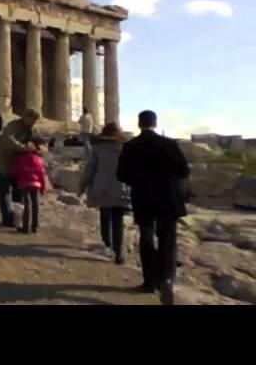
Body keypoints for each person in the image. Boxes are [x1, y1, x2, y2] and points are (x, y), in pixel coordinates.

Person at [117, 110, 190, 305]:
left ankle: (149, 281)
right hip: (168, 198)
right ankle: (167, 279)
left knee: (146, 237)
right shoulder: (169, 144)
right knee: (168, 240)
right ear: (155, 123)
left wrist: (139, 180)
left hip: (143, 198)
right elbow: (184, 170)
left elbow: (121, 175)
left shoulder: (130, 146)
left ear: (139, 124)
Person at [79, 122, 131, 265]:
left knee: (105, 216)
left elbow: (90, 169)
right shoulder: (125, 148)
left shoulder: (98, 149)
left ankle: (108, 244)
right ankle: (119, 253)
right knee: (118, 220)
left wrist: (82, 186)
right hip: (121, 187)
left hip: (102, 188)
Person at [0, 108, 42, 227]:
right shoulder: (13, 126)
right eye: (31, 120)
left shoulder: (31, 129)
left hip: (20, 166)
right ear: (25, 117)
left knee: (19, 191)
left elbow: (38, 141)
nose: (33, 123)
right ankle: (7, 219)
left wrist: (39, 149)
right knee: (5, 191)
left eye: (35, 121)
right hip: (5, 162)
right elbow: (8, 141)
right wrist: (24, 147)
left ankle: (18, 218)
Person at [10, 137, 47, 234]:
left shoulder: (20, 159)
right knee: (35, 204)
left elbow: (14, 172)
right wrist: (43, 187)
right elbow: (42, 175)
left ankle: (25, 227)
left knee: (27, 204)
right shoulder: (39, 160)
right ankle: (35, 226)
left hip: (24, 184)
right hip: (36, 185)